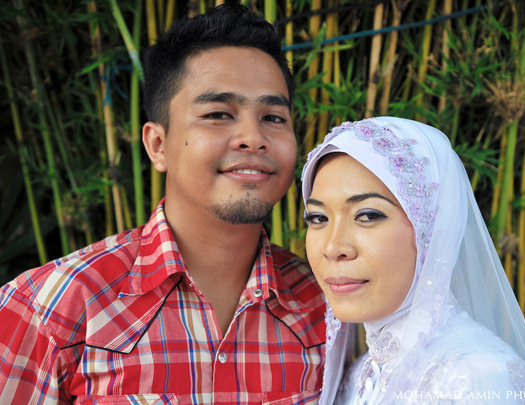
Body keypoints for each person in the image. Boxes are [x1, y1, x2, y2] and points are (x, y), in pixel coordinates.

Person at [0, 4, 325, 404]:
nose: (253, 138)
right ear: (158, 145)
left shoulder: (326, 309)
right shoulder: (52, 308)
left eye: (274, 118)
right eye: (219, 114)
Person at [301, 117, 525, 404]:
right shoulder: (360, 375)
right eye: (318, 218)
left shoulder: (479, 379)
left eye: (368, 215)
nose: (333, 247)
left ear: (434, 231)